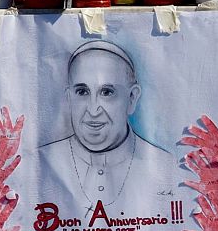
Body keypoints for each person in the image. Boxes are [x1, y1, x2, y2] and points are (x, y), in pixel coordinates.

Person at [39, 40, 180, 220]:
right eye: (82, 92)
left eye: (106, 92)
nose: (93, 110)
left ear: (131, 98)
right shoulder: (40, 162)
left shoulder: (167, 167)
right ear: (69, 98)